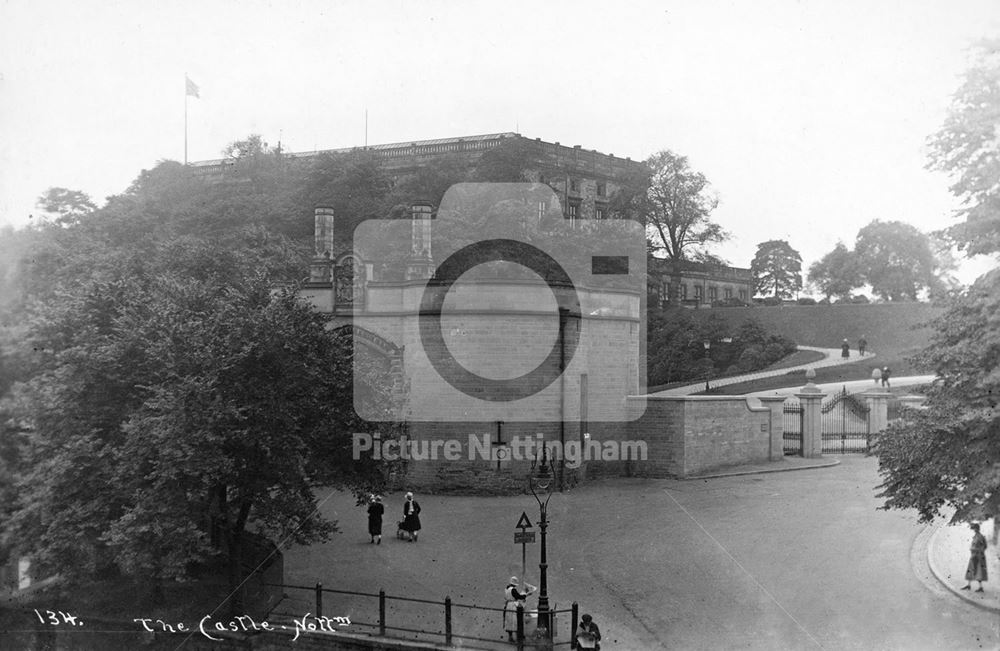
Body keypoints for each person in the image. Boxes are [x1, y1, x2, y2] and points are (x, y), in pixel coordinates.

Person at [503, 576, 536, 642]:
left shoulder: (507, 589)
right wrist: (526, 595)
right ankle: (519, 637)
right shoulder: (513, 589)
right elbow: (518, 596)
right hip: (513, 605)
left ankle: (510, 637)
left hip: (508, 605)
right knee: (515, 620)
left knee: (509, 621)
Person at [962, 523, 988, 592]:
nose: (974, 530)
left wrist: (977, 550)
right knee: (971, 569)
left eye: (975, 529)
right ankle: (969, 585)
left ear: (978, 529)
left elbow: (984, 546)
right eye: (974, 529)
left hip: (978, 556)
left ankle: (980, 587)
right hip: (974, 555)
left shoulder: (980, 537)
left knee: (979, 572)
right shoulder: (976, 536)